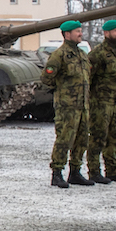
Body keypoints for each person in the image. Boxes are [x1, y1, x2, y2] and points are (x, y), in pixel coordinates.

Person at [42, 20, 92, 189]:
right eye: (77, 31)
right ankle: (57, 173)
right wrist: (63, 92)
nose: (80, 34)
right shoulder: (59, 55)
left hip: (83, 105)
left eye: (80, 31)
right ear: (67, 34)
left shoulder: (82, 55)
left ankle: (75, 172)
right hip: (67, 106)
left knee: (82, 139)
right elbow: (47, 78)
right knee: (64, 139)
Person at [87, 19, 116, 183]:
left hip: (114, 102)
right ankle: (94, 171)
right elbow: (88, 78)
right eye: (115, 31)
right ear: (106, 33)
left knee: (114, 137)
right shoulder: (98, 54)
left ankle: (112, 169)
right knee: (98, 137)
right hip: (100, 103)